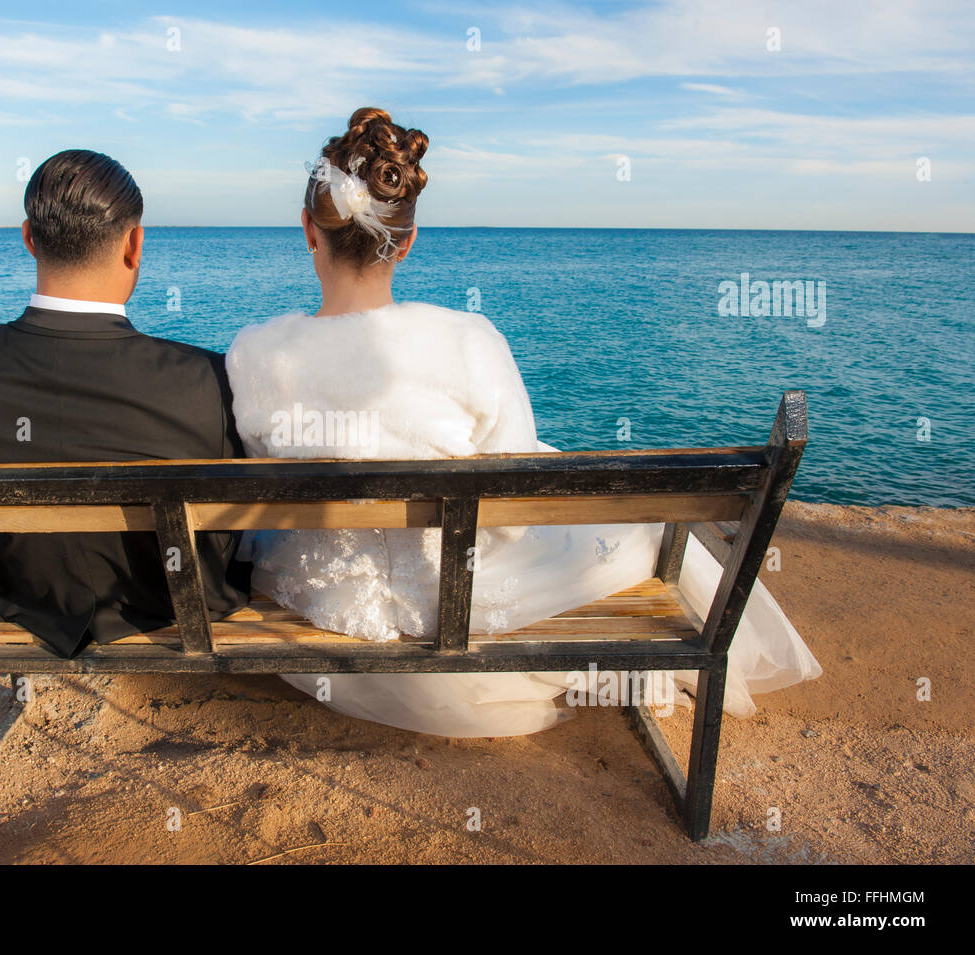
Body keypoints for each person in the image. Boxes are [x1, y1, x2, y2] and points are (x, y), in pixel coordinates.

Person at [225, 108, 821, 737]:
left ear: (307, 231)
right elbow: (512, 512)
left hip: (322, 595)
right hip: (450, 596)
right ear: (407, 240)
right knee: (643, 526)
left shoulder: (253, 352)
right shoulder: (467, 340)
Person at [0, 148, 251, 658]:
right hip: (176, 602)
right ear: (134, 244)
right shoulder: (206, 376)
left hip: (18, 600)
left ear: (29, 238)